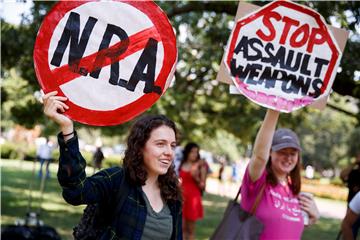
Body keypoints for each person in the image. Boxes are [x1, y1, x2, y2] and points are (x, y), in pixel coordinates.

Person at [42, 91, 182, 239]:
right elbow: (76, 192)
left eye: (172, 146)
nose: (169, 152)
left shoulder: (172, 193)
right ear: (140, 146)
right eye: (160, 144)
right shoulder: (117, 180)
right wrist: (67, 129)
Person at [240, 109, 320, 239]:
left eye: (293, 153)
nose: (288, 158)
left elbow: (283, 227)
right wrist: (275, 107)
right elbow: (259, 156)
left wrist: (313, 218)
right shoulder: (257, 181)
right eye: (282, 152)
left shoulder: (292, 189)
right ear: (270, 152)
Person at [179, 142, 205, 240]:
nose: (194, 154)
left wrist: (196, 177)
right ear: (187, 152)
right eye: (192, 152)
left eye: (196, 152)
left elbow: (203, 186)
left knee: (190, 230)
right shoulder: (182, 164)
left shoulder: (200, 167)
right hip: (182, 198)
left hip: (193, 200)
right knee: (181, 228)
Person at [340, 153, 360, 238]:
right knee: (350, 228)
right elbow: (342, 175)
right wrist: (355, 163)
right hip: (353, 207)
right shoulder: (353, 172)